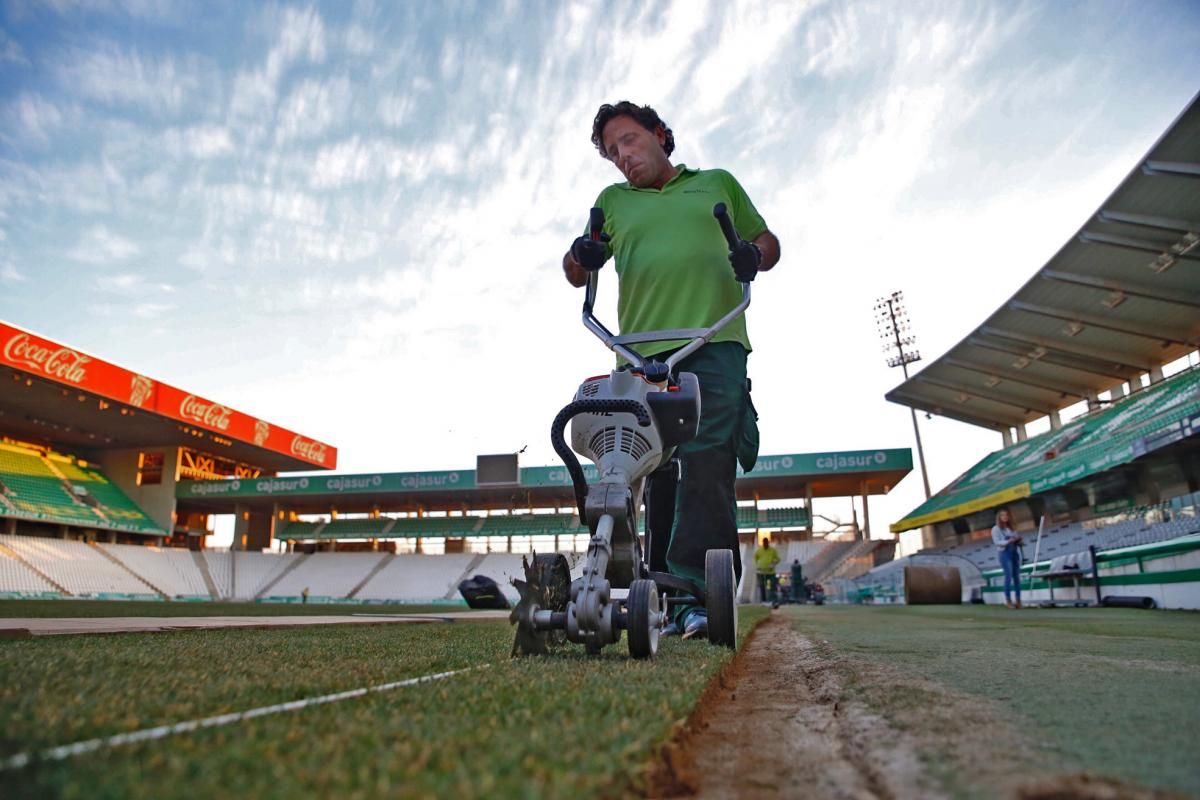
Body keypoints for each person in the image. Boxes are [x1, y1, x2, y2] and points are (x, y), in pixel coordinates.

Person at [563, 101, 781, 640]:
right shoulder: (612, 202)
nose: (623, 157)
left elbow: (768, 244)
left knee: (706, 462)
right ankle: (656, 591)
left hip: (714, 341)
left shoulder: (717, 184)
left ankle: (699, 596)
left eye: (631, 141)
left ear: (660, 134)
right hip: (637, 353)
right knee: (654, 471)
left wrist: (753, 256)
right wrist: (582, 253)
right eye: (613, 152)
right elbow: (574, 270)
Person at [991, 508, 1023, 608]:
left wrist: (1018, 541)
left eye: (1006, 515)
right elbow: (997, 542)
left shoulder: (1011, 528)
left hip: (1014, 552)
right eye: (1002, 515)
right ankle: (1008, 600)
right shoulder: (996, 529)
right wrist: (1008, 542)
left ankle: (1018, 600)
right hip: (1004, 553)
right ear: (999, 518)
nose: (1005, 517)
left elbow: (1016, 538)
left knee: (1017, 577)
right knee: (1008, 576)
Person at [754, 536, 781, 604]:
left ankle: (773, 601)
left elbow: (778, 559)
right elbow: (755, 558)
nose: (765, 544)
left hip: (770, 572)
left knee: (772, 586)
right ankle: (763, 601)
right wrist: (757, 565)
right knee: (762, 586)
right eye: (764, 543)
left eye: (766, 543)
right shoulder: (759, 550)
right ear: (763, 543)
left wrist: (773, 563)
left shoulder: (772, 550)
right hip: (761, 572)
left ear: (768, 543)